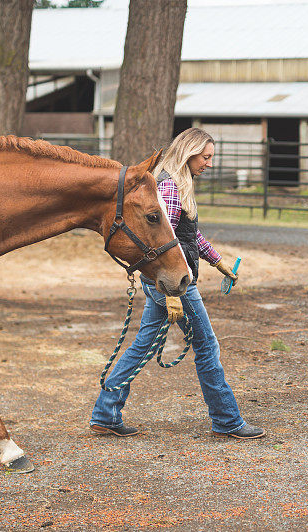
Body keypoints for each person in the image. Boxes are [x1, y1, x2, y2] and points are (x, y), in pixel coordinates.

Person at [90, 128, 265, 440]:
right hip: (173, 283)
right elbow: (160, 243)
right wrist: (170, 293)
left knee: (143, 345)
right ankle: (227, 420)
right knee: (207, 346)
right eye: (206, 157)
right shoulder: (169, 186)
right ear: (189, 152)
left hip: (171, 282)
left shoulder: (179, 183)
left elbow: (188, 235)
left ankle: (105, 413)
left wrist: (218, 261)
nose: (209, 164)